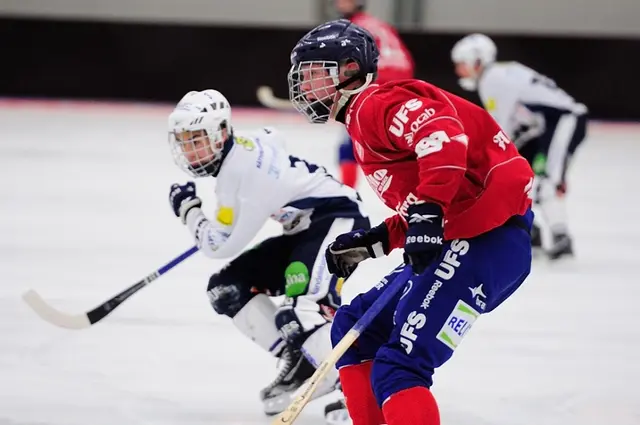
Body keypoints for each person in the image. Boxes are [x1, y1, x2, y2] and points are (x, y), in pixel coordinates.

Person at [287, 19, 534, 425]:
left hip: (487, 239)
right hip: (468, 236)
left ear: (350, 71)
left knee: (400, 367)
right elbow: (433, 200)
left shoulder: (374, 104)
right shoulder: (364, 125)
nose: (305, 87)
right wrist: (377, 240)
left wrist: (428, 212)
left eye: (315, 74)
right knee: (355, 328)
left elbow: (443, 137)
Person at [166, 89, 370, 415]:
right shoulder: (240, 150)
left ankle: (357, 387)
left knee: (303, 308)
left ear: (220, 134)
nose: (190, 151)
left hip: (338, 222)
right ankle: (306, 362)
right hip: (305, 228)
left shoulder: (241, 177)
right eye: (185, 141)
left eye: (197, 140)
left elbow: (219, 245)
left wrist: (189, 209)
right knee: (227, 289)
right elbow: (273, 137)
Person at [451, 33, 588, 260]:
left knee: (548, 181)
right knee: (526, 178)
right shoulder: (502, 72)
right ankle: (534, 230)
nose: (459, 71)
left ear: (477, 60)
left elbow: (500, 130)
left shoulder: (492, 80)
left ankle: (560, 236)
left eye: (461, 64)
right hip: (545, 126)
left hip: (563, 120)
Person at [332, 0, 414, 189]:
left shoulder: (352, 28)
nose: (339, 3)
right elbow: (404, 60)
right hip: (399, 86)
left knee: (350, 141)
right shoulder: (380, 25)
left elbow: (350, 64)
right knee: (394, 146)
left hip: (376, 84)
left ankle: (346, 193)